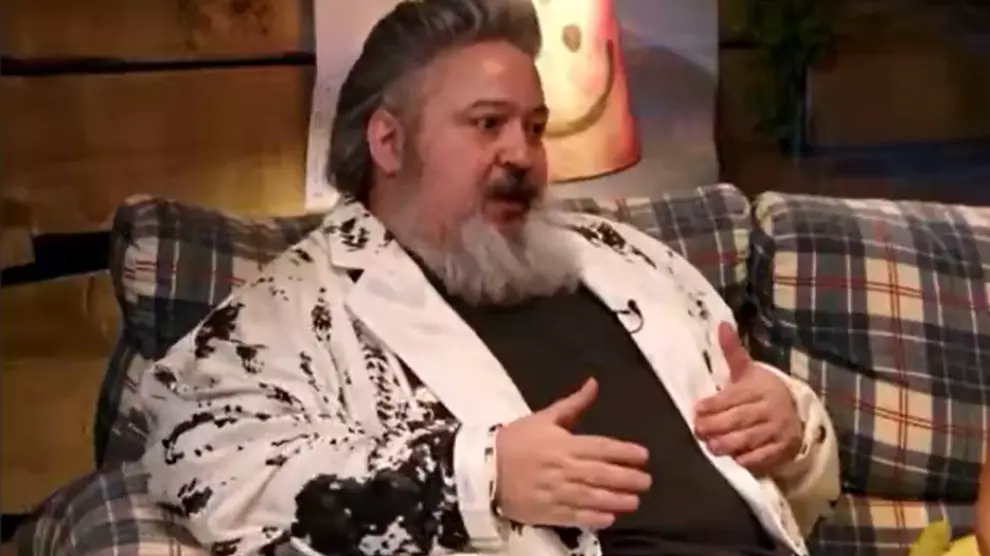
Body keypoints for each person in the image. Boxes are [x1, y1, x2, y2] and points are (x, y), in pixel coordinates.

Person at [138, 0, 841, 554]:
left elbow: (795, 480)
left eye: (533, 127)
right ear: (389, 141)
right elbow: (204, 461)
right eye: (487, 124)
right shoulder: (293, 308)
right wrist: (478, 474)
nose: (523, 153)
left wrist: (790, 425)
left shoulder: (627, 256)